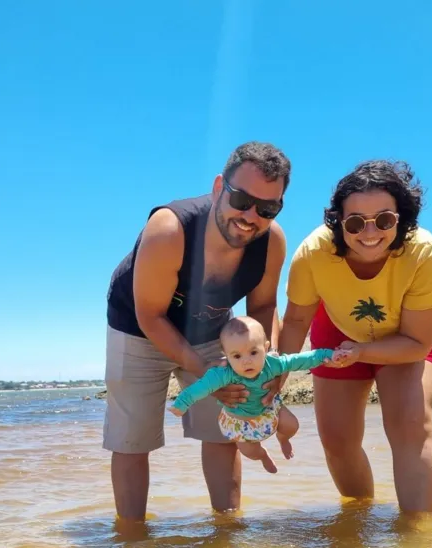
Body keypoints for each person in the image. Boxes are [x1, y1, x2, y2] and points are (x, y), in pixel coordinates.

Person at [103, 141, 292, 522]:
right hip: (138, 326)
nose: (251, 216)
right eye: (241, 199)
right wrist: (207, 377)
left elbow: (263, 308)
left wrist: (272, 360)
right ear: (220, 186)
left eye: (267, 208)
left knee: (223, 432)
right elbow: (151, 315)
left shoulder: (271, 242)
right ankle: (132, 542)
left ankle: (227, 531)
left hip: (212, 329)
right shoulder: (169, 229)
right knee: (132, 440)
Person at [278, 159, 432, 514]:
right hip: (337, 327)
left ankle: (418, 545)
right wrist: (271, 381)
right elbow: (295, 320)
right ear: (339, 222)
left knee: (410, 426)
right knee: (337, 440)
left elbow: (418, 343)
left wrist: (364, 351)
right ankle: (358, 519)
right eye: (355, 222)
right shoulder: (313, 253)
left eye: (384, 220)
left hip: (408, 334)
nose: (369, 233)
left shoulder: (424, 253)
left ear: (401, 217)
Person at [168, 315, 344, 473]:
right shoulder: (222, 373)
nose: (246, 361)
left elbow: (302, 359)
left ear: (265, 348)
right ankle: (263, 456)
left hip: (269, 410)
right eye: (236, 356)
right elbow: (200, 388)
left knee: (292, 425)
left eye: (253, 352)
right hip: (238, 423)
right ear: (226, 356)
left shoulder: (273, 364)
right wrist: (181, 404)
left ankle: (283, 439)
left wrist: (328, 355)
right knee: (250, 452)